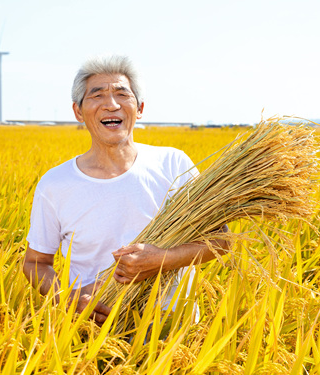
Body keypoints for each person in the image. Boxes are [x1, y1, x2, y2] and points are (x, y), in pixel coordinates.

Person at [23, 55, 229, 325]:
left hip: (174, 330)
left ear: (140, 108)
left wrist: (162, 259)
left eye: (122, 94)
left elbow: (222, 241)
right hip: (91, 332)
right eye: (97, 95)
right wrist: (67, 297)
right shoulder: (55, 184)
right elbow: (35, 263)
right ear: (78, 111)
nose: (111, 104)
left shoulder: (174, 165)